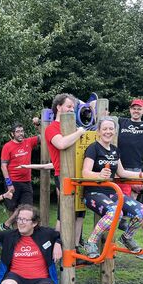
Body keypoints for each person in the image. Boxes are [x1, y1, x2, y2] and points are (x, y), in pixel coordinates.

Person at [81, 117, 143, 257]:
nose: (108, 131)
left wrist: (142, 174)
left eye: (111, 129)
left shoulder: (115, 150)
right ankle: (90, 242)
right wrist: (99, 175)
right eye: (105, 129)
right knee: (116, 212)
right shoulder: (93, 148)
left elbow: (122, 173)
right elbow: (85, 172)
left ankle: (126, 237)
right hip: (94, 193)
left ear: (115, 131)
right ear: (99, 131)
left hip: (112, 193)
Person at [44, 93, 88, 243]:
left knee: (80, 212)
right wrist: (80, 132)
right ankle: (58, 247)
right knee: (65, 212)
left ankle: (75, 247)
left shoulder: (72, 128)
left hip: (79, 173)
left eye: (73, 108)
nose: (71, 110)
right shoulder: (52, 128)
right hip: (63, 174)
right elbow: (61, 144)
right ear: (58, 107)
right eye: (68, 106)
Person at [0, 122, 39, 230]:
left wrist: (38, 124)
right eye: (17, 132)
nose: (21, 134)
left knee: (27, 208)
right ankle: (15, 232)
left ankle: (6, 224)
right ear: (12, 134)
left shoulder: (29, 142)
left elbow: (44, 136)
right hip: (13, 181)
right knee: (12, 208)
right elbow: (3, 166)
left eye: (22, 131)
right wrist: (9, 183)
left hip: (26, 182)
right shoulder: (7, 146)